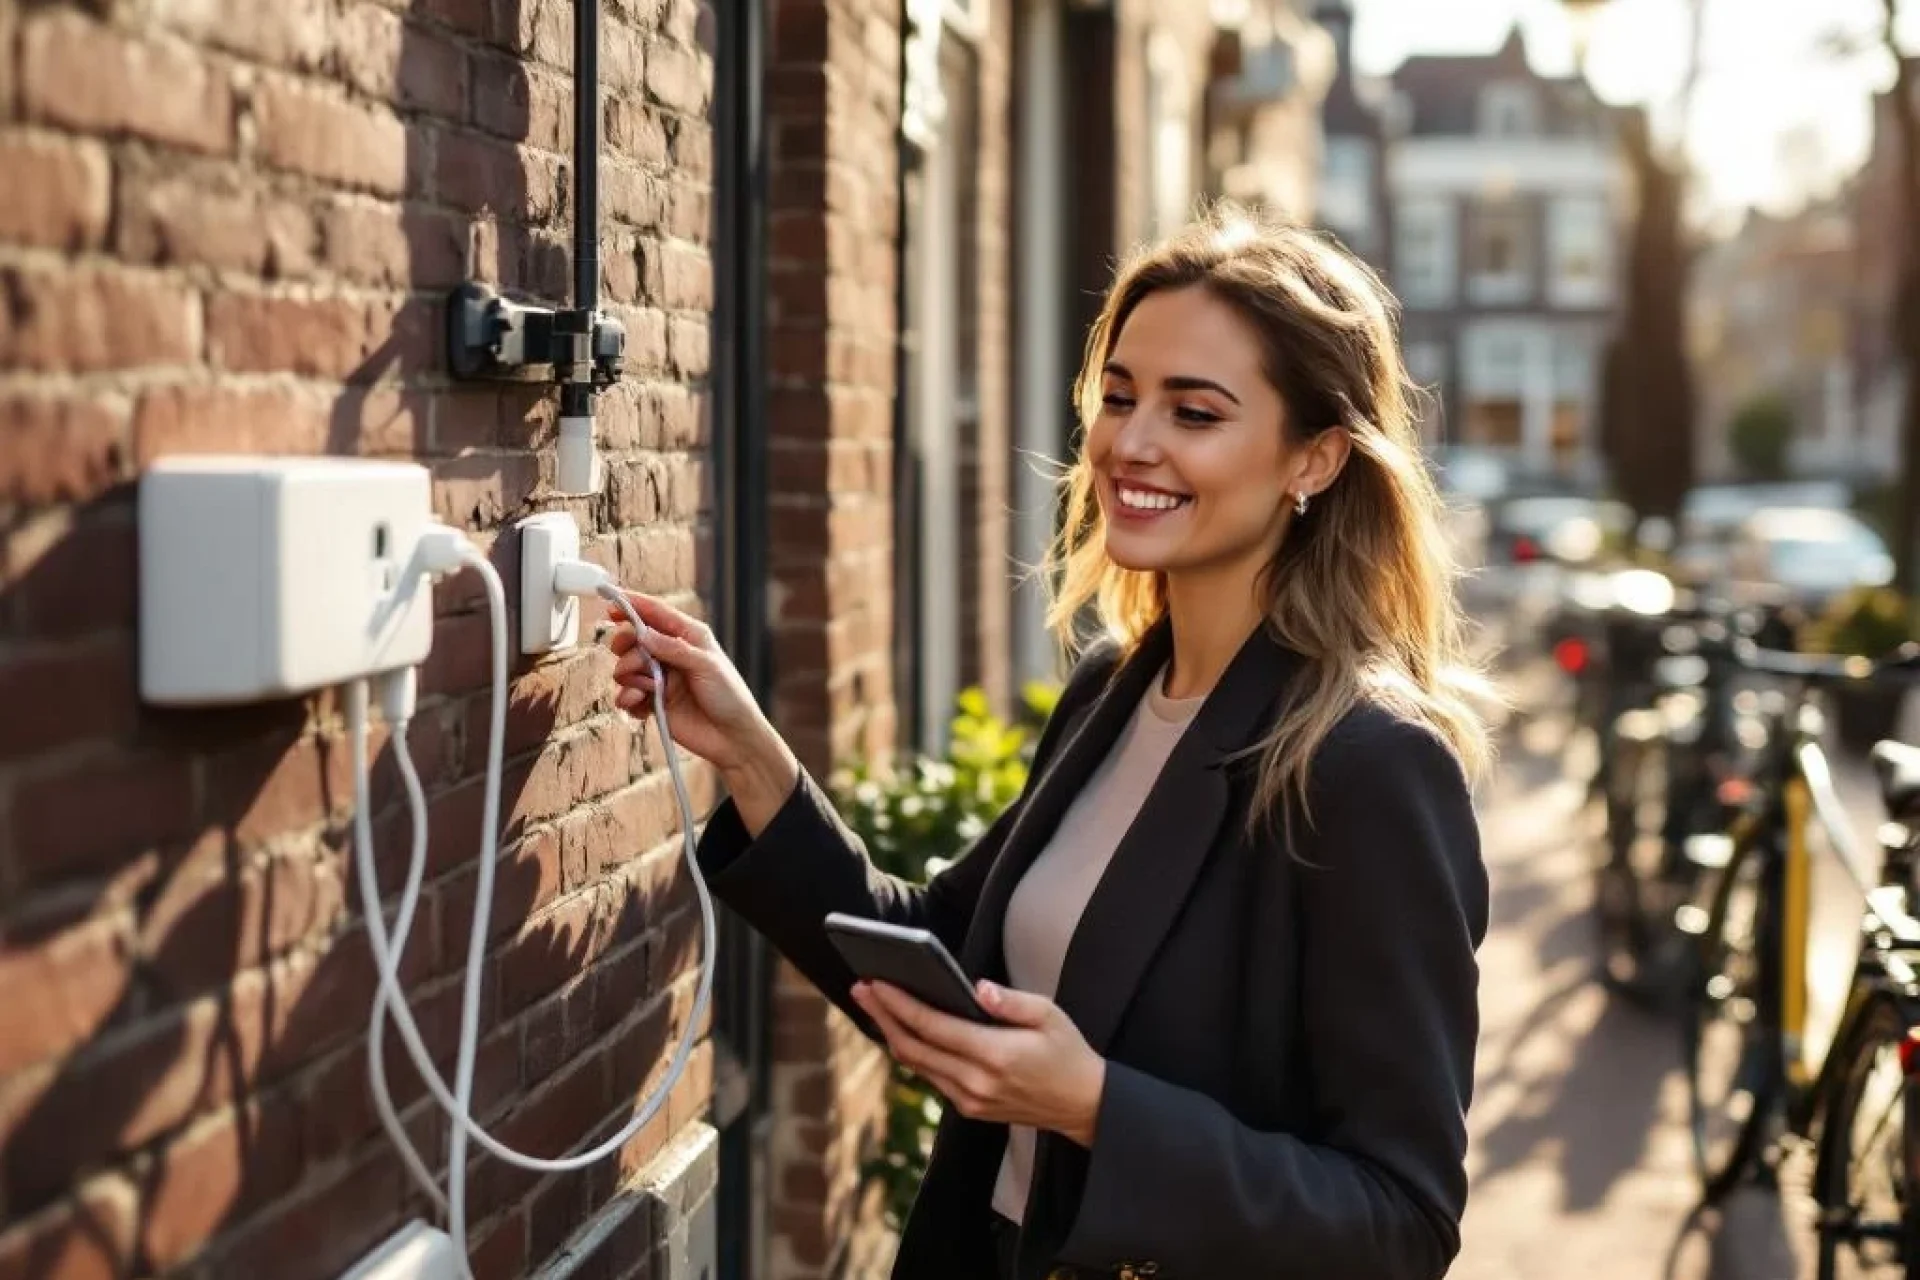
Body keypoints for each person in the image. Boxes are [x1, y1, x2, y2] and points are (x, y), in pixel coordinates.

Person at [602, 205, 1492, 1280]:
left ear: (1314, 458)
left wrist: (1098, 1110)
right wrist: (749, 755)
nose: (1132, 441)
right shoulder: (1113, 693)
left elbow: (1400, 1218)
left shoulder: (1367, 764)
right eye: (1118, 396)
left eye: (1195, 412)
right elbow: (945, 975)